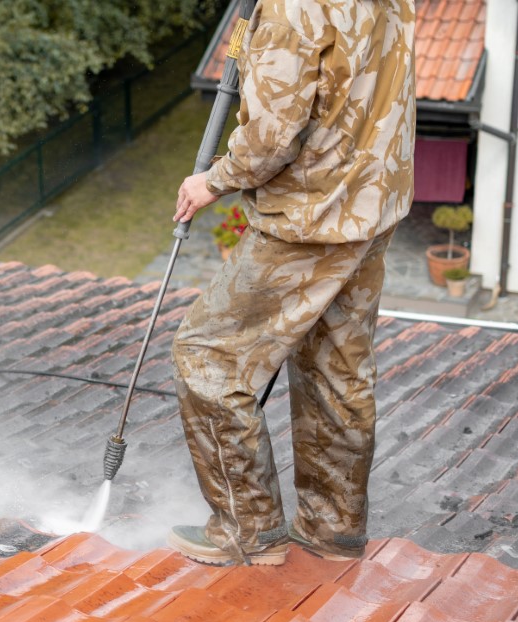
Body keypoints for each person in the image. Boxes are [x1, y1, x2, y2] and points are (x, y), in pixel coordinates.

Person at [167, 0, 416, 567]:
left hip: (309, 217)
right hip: (371, 210)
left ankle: (247, 529)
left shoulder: (289, 6)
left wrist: (215, 179)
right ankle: (334, 529)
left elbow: (273, 134)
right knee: (338, 367)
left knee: (208, 356)